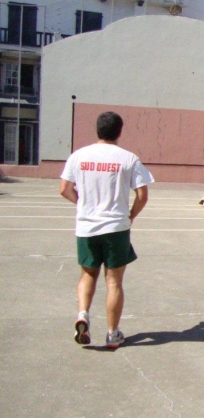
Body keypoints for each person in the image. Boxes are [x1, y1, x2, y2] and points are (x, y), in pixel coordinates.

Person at [60, 111, 154, 348]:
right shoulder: (129, 158)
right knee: (114, 282)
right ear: (120, 131)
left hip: (87, 226)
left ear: (97, 129)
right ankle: (112, 334)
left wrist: (82, 203)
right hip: (116, 227)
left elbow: (64, 189)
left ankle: (83, 313)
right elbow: (142, 195)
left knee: (87, 274)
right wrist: (131, 215)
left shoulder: (78, 156)